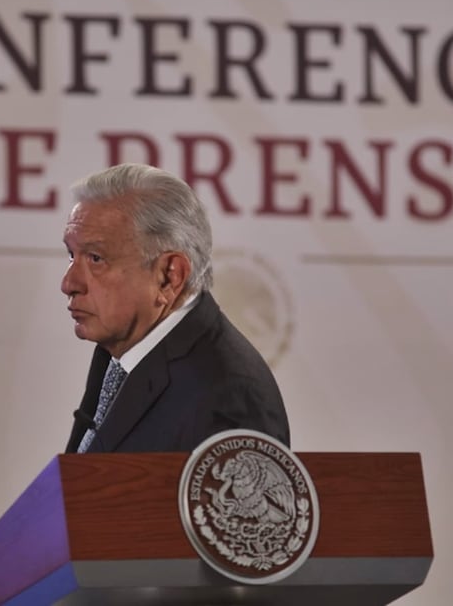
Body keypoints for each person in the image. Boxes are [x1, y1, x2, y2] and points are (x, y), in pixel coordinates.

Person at [61, 163, 290, 453]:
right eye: (71, 255)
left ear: (169, 276)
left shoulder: (229, 397)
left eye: (95, 258)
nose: (69, 283)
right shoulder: (120, 349)